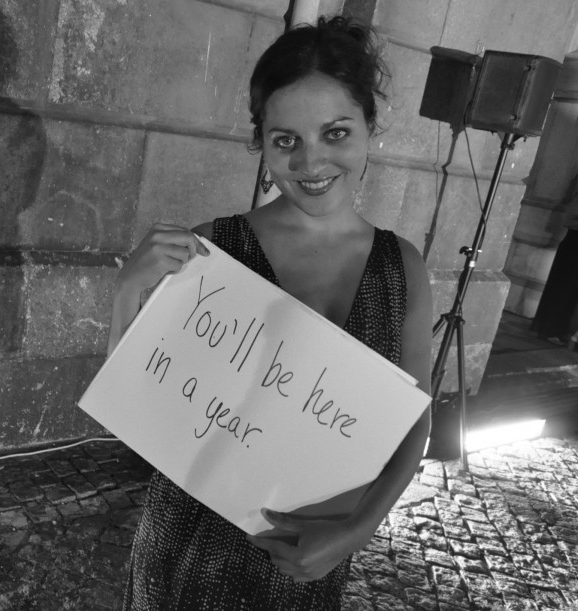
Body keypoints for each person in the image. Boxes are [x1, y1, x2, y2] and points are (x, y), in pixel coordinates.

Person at [108, 16, 433, 610]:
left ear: (370, 126)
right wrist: (129, 290)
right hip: (186, 549)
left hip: (307, 558)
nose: (312, 162)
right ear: (261, 142)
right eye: (287, 140)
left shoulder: (402, 268)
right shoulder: (213, 251)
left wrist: (356, 533)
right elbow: (137, 411)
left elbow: (414, 422)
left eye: (335, 133)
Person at [530, 172, 578, 349]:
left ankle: (553, 328)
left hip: (574, 236)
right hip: (575, 236)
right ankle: (550, 329)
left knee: (568, 287)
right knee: (565, 286)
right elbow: (573, 210)